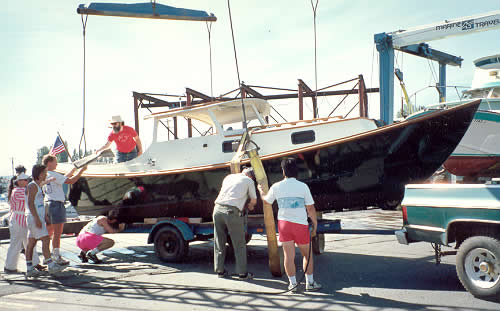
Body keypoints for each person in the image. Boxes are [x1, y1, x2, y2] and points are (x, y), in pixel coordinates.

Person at [259, 158, 322, 292]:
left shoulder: (276, 186)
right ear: (297, 171)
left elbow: (267, 201)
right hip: (300, 225)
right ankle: (310, 283)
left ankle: (292, 284)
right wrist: (315, 224)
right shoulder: (303, 186)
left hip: (284, 225)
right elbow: (310, 208)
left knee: (289, 256)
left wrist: (261, 192)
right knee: (307, 255)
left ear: (283, 171)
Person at [42, 154, 87, 266]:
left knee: (49, 232)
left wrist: (73, 169)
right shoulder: (53, 174)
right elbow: (71, 181)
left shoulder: (45, 175)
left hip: (48, 204)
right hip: (57, 205)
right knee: (57, 233)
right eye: (55, 162)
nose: (57, 164)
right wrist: (81, 171)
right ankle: (56, 256)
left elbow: (63, 178)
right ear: (49, 163)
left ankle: (47, 256)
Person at [213, 167, 257, 280]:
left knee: (219, 241)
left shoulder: (229, 177)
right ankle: (242, 274)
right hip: (231, 212)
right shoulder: (249, 181)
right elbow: (254, 200)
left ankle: (220, 271)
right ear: (251, 176)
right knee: (239, 244)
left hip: (217, 210)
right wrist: (250, 206)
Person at [25, 164, 66, 276]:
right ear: (39, 174)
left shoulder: (36, 185)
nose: (46, 174)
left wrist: (43, 217)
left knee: (32, 242)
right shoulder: (33, 186)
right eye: (44, 173)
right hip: (34, 217)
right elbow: (30, 203)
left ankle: (29, 267)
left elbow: (42, 184)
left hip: (35, 217)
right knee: (46, 239)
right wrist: (37, 219)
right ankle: (51, 265)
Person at [4, 173, 43, 274]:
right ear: (19, 181)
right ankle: (10, 266)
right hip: (19, 219)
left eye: (27, 180)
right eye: (25, 180)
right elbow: (30, 196)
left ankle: (12, 266)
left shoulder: (16, 190)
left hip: (19, 219)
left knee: (26, 242)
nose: (27, 182)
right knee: (18, 243)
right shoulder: (19, 191)